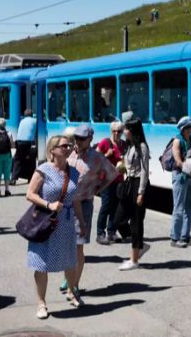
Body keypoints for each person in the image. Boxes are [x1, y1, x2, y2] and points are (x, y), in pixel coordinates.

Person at [26, 135, 86, 318]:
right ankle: (41, 304)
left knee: (70, 261)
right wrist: (48, 204)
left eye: (69, 146)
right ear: (52, 150)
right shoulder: (43, 170)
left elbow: (75, 200)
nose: (68, 148)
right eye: (64, 146)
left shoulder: (74, 172)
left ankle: (71, 291)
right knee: (42, 263)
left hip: (67, 224)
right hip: (46, 222)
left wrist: (82, 223)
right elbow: (30, 194)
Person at [62, 124, 117, 299]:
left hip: (83, 204)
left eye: (81, 138)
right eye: (76, 137)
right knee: (66, 245)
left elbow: (112, 174)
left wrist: (97, 189)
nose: (77, 141)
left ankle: (75, 284)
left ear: (90, 139)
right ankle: (68, 277)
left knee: (78, 246)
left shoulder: (97, 158)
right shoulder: (68, 152)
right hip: (64, 205)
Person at [114, 118, 150, 271]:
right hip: (128, 183)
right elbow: (127, 165)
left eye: (127, 129)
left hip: (137, 185)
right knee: (118, 220)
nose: (124, 131)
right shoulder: (128, 146)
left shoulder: (142, 147)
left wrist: (141, 192)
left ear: (133, 130)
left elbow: (144, 171)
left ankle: (134, 259)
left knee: (136, 221)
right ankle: (140, 244)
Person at [95, 121, 126, 245]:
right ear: (111, 131)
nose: (116, 133)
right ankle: (100, 233)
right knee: (106, 206)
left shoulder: (124, 144)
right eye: (114, 131)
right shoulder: (105, 142)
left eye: (119, 131)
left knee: (116, 206)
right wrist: (106, 155)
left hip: (118, 179)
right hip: (106, 180)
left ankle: (112, 231)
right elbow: (95, 158)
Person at [169, 116, 191, 247]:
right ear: (183, 128)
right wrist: (187, 169)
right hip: (180, 176)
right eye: (188, 127)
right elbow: (178, 160)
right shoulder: (177, 141)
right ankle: (175, 237)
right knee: (179, 207)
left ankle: (185, 235)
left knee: (188, 207)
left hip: (190, 176)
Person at [0, 118, 15, 196]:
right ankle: (7, 190)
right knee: (7, 172)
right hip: (7, 155)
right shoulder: (9, 134)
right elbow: (12, 145)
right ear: (5, 125)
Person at [12, 109, 37, 185]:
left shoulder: (22, 121)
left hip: (19, 142)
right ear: (32, 115)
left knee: (18, 160)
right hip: (29, 143)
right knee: (31, 161)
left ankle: (13, 178)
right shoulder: (35, 121)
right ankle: (30, 178)